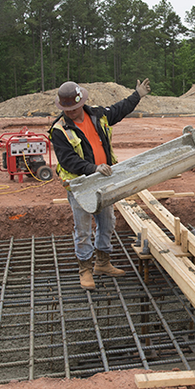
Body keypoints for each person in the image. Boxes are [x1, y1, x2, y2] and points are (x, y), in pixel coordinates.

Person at [49, 78, 151, 290]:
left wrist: (137, 95)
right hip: (81, 185)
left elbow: (119, 109)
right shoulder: (59, 130)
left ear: (81, 103)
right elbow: (68, 160)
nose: (71, 112)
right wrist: (92, 168)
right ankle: (85, 269)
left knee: (107, 222)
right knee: (83, 228)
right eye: (67, 109)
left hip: (103, 181)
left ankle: (102, 263)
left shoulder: (96, 115)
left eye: (74, 108)